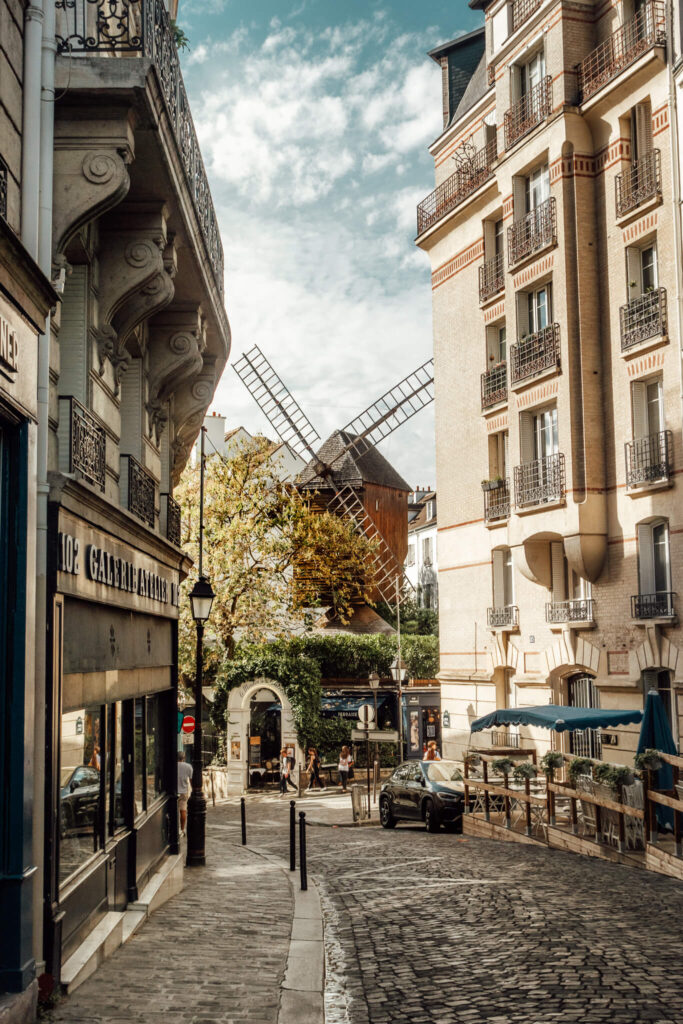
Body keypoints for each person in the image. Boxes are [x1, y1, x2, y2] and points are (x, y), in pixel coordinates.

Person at [177, 751, 193, 836]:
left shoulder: (172, 766)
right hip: (183, 791)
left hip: (174, 791)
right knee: (183, 810)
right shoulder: (188, 766)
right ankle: (182, 829)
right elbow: (191, 781)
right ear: (184, 758)